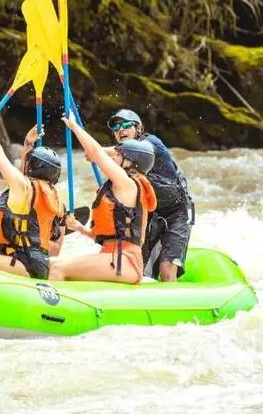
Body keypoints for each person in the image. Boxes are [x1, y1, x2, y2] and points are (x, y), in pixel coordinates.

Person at [51, 114, 157, 284]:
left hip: (125, 261)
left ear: (131, 162)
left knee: (58, 268)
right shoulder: (123, 184)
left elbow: (96, 153)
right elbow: (108, 237)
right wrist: (79, 228)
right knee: (51, 264)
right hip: (113, 257)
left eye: (118, 155)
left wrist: (74, 127)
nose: (113, 157)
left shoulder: (128, 184)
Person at [0, 121, 65, 279]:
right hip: (36, 262)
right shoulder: (51, 196)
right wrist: (27, 144)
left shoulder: (23, 187)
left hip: (24, 262)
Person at [106, 109, 195, 281]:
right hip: (151, 216)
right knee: (140, 269)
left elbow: (139, 150)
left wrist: (98, 152)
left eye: (126, 125)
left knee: (166, 268)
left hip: (177, 213)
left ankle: (172, 304)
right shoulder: (121, 163)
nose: (121, 130)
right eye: (116, 127)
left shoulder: (150, 142)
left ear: (138, 128)